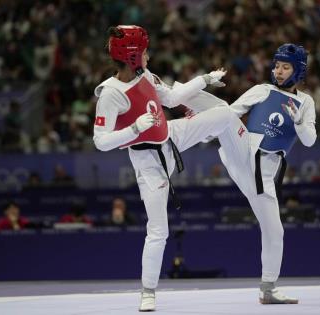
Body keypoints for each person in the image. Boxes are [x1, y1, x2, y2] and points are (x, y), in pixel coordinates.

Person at [92, 25, 232, 311]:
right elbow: (100, 142)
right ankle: (148, 291)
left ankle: (233, 154)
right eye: (144, 52)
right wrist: (133, 129)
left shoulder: (147, 75)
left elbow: (170, 99)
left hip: (172, 137)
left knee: (224, 114)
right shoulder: (110, 93)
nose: (148, 55)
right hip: (148, 163)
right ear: (132, 57)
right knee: (158, 231)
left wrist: (204, 79)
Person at [214, 44, 316, 304]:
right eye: (276, 66)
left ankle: (268, 289)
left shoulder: (306, 102)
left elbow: (309, 140)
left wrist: (299, 121)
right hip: (243, 152)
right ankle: (179, 119)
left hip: (265, 173)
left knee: (275, 231)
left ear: (298, 70)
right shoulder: (261, 90)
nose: (278, 71)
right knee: (222, 113)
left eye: (285, 67)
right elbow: (232, 112)